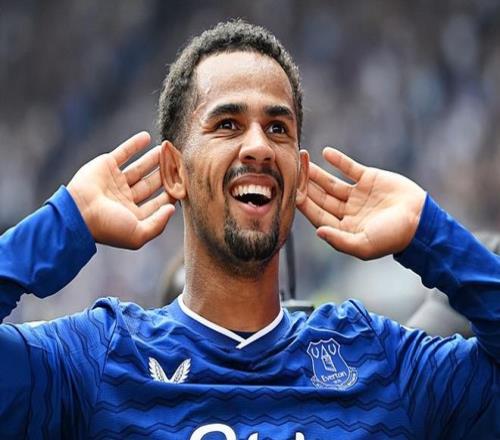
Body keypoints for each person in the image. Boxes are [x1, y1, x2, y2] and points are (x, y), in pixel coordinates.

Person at [0, 20, 498, 439]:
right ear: (174, 171)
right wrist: (64, 222)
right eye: (228, 125)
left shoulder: (378, 363)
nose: (259, 146)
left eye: (278, 128)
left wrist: (427, 231)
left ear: (299, 173)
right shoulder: (100, 362)